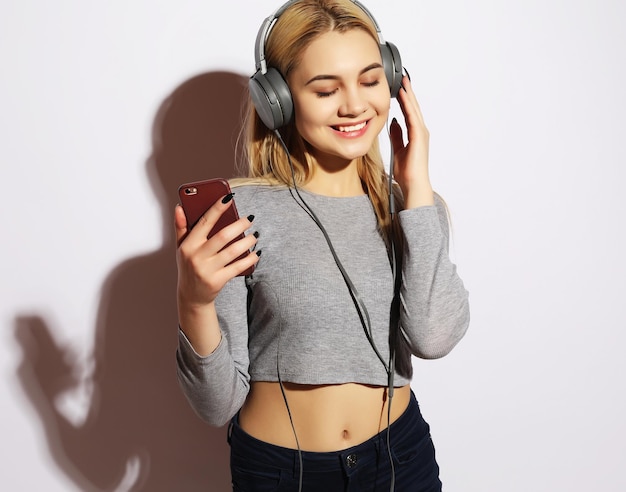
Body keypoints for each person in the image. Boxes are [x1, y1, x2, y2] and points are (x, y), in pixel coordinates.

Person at [174, 1, 470, 490]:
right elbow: (217, 404)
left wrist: (416, 188)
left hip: (402, 459)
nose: (354, 105)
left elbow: (432, 338)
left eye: (371, 81)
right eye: (326, 89)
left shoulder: (413, 209)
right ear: (279, 100)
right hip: (280, 472)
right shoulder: (237, 211)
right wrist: (193, 300)